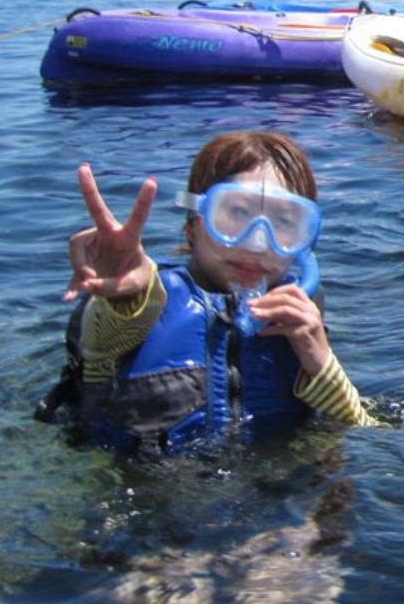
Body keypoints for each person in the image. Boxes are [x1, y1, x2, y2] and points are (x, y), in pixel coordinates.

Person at [41, 131, 376, 453]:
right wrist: (123, 296)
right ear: (193, 225)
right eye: (236, 213)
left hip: (273, 497)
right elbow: (107, 330)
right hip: (145, 497)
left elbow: (365, 435)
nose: (257, 242)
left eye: (284, 222)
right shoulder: (142, 303)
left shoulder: (300, 320)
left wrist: (319, 359)